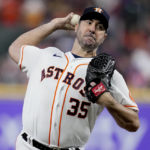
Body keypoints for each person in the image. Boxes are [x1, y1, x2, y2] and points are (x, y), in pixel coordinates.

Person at [9, 6, 140, 150]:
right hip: (27, 146)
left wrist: (110, 102)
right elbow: (15, 48)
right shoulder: (47, 55)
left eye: (100, 27)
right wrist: (53, 25)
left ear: (104, 36)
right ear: (77, 26)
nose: (92, 29)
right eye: (88, 22)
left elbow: (134, 123)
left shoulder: (107, 73)